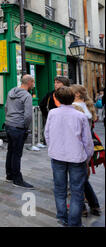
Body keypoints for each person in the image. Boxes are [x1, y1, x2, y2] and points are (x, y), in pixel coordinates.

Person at [45, 86, 93, 227]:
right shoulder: (80, 116)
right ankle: (74, 223)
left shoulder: (52, 113)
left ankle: (62, 217)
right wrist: (88, 157)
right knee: (77, 192)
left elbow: (47, 134)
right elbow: (87, 141)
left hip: (58, 156)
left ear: (57, 99)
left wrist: (53, 147)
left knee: (60, 189)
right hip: (76, 157)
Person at [70, 84, 101, 217]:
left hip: (76, 146)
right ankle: (94, 205)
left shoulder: (74, 108)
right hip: (88, 146)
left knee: (76, 179)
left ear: (77, 94)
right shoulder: (88, 106)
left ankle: (81, 207)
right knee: (82, 177)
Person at [4, 74, 35, 189]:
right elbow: (27, 115)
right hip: (18, 127)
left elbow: (6, 107)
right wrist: (26, 127)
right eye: (33, 82)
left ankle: (9, 175)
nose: (34, 85)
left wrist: (9, 119)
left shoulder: (11, 91)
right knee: (17, 153)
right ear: (30, 82)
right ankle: (17, 179)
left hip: (8, 124)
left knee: (11, 151)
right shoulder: (27, 96)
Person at [39, 76, 71, 145]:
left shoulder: (71, 94)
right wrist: (48, 116)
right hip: (54, 122)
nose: (55, 84)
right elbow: (42, 105)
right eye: (55, 82)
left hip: (68, 122)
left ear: (64, 84)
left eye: (58, 83)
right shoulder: (50, 95)